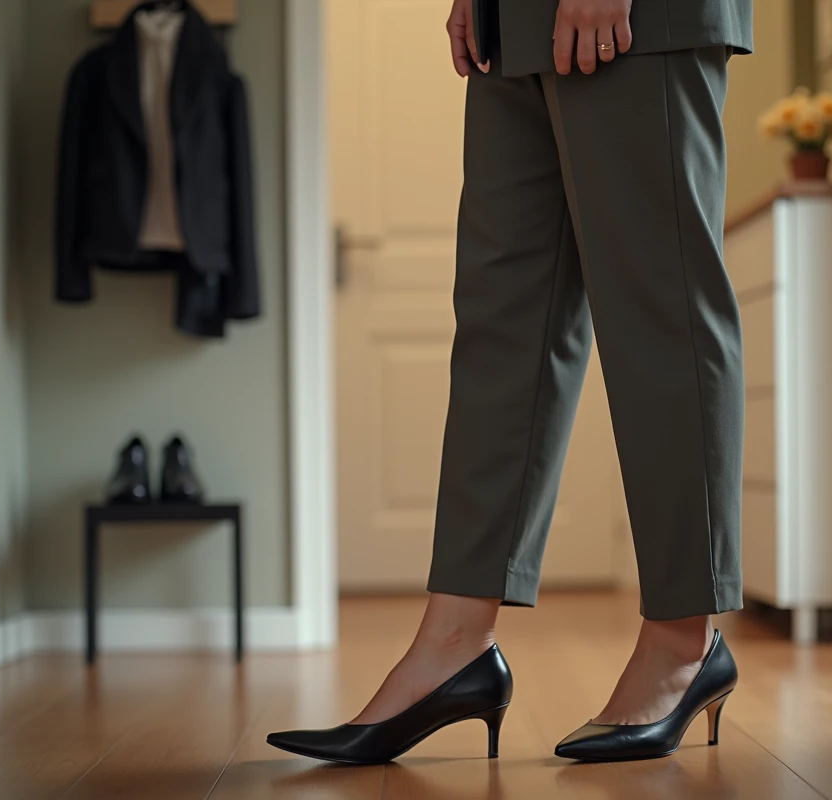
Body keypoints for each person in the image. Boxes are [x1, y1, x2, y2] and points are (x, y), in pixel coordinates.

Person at [268, 0, 752, 764]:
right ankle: (455, 638)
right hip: (513, 21)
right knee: (503, 324)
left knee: (662, 310)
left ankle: (683, 641)